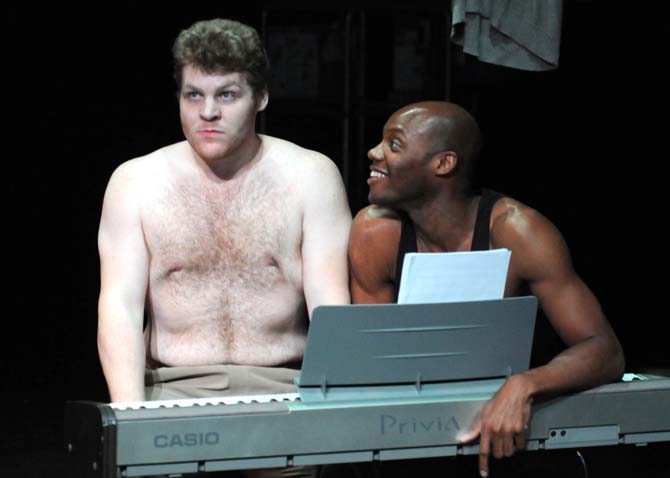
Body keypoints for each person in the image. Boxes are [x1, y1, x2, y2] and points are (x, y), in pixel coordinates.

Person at [348, 101, 624, 478]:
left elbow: (604, 350)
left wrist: (525, 384)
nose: (374, 152)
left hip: (512, 442)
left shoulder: (517, 231)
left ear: (443, 164)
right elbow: (372, 360)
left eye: (393, 144)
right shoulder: (375, 232)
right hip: (410, 434)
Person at [97, 17, 351, 409]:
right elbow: (120, 308)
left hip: (287, 387)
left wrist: (331, 407)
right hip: (171, 388)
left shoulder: (311, 176)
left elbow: (330, 306)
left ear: (261, 97)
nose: (208, 112)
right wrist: (130, 415)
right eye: (193, 95)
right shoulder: (135, 182)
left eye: (227, 95)